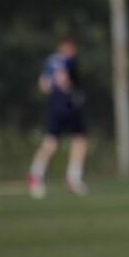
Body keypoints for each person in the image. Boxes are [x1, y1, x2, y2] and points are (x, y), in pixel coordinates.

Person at [27, 37, 89, 198]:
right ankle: (73, 178)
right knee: (79, 140)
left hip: (54, 105)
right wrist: (71, 91)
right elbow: (65, 80)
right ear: (68, 48)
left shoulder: (50, 61)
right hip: (67, 105)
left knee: (52, 142)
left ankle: (35, 176)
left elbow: (43, 85)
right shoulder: (68, 61)